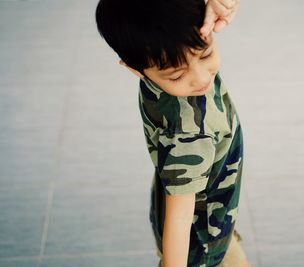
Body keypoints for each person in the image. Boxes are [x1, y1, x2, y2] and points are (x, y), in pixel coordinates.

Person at [95, 0, 249, 266]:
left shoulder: (159, 64)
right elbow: (179, 218)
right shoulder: (188, 135)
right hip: (199, 241)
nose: (200, 78)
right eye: (177, 75)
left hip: (209, 213)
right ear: (134, 69)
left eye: (205, 55)